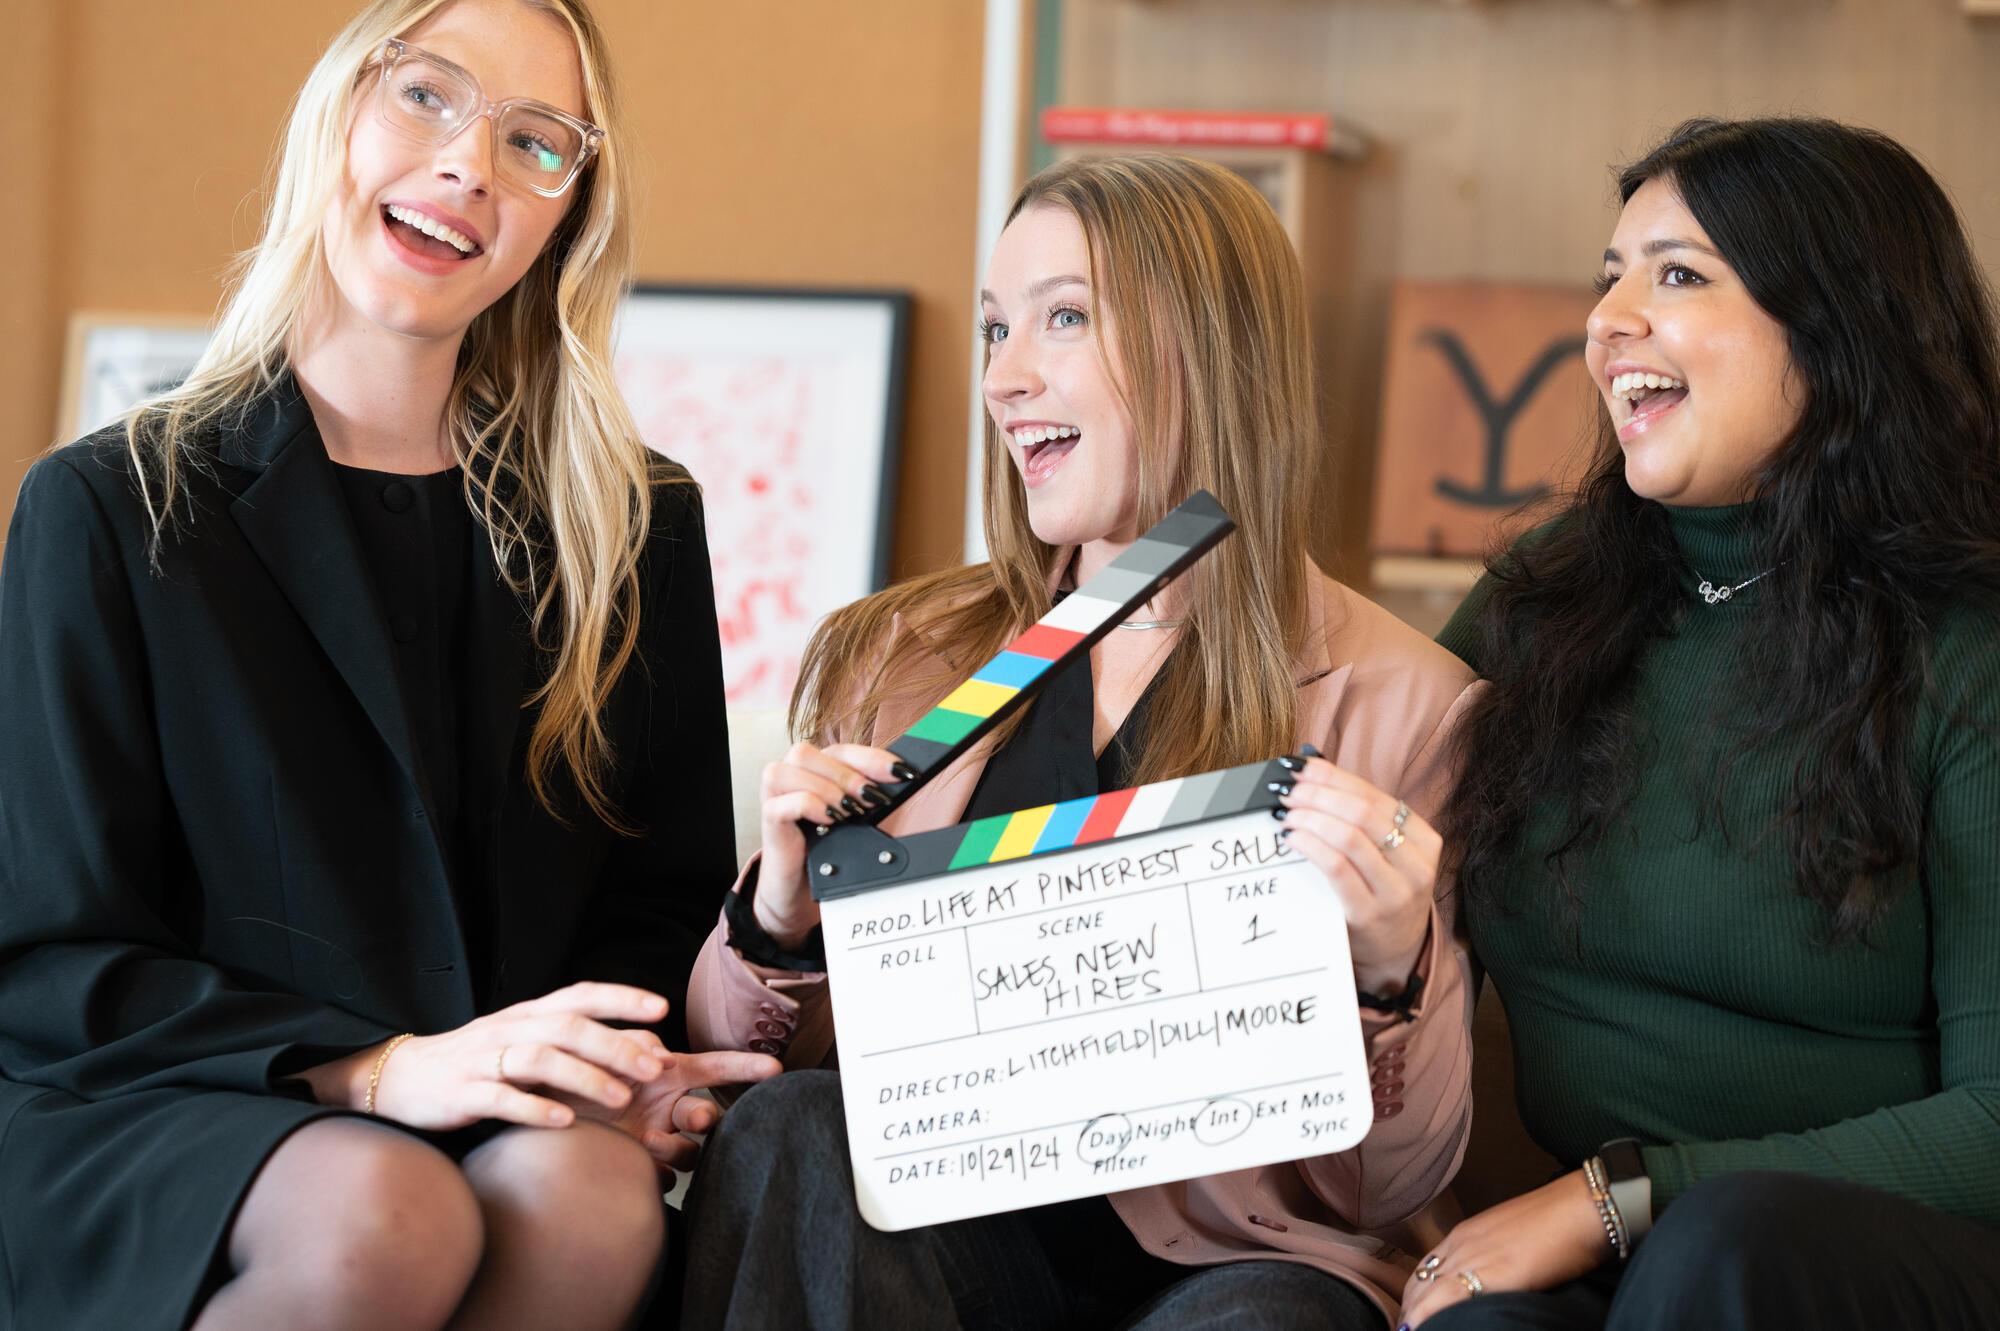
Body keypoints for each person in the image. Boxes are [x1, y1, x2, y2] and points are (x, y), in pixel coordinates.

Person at [0, 2, 777, 1327]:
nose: (473, 161)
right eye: (428, 95)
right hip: (164, 1105)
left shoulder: (637, 521)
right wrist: (379, 1070)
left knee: (586, 1192)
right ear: (338, 116)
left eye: (537, 142)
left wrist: (615, 1067)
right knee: (382, 1211)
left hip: (494, 1108)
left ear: (565, 218)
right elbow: (56, 959)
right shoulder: (109, 508)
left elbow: (656, 901)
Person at [676, 152, 1482, 1331]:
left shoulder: (1404, 701)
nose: (1004, 376)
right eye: (998, 329)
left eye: (1063, 317)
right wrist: (778, 919)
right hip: (936, 1241)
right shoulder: (901, 656)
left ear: (1206, 348)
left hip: (1229, 1265)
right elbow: (737, 1082)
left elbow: (1391, 1182)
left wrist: (1390, 964)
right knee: (789, 1128)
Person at [1401, 117, 2000, 1330]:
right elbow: (1338, 793)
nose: (1607, 319)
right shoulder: (1541, 599)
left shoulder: (1966, 648)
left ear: (1838, 328)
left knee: (1720, 1249)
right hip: (1636, 1271)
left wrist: (1616, 1198)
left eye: (1676, 274)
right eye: (1608, 274)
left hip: (1899, 1255)